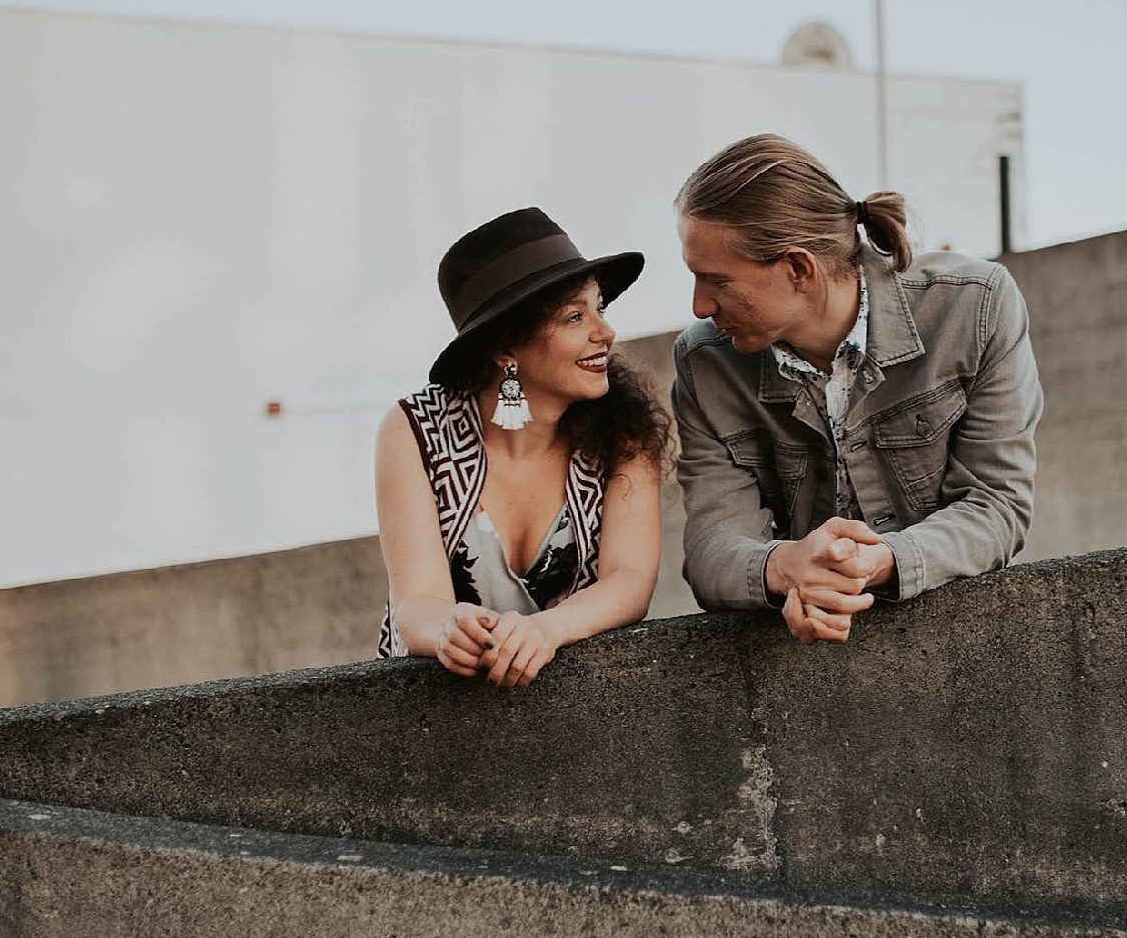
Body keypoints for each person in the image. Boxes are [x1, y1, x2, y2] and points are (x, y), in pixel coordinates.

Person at [671, 134, 1043, 645]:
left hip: (963, 648)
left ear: (798, 268)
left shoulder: (973, 308)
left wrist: (876, 563)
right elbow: (711, 548)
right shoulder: (704, 362)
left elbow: (996, 505)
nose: (699, 306)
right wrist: (788, 568)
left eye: (716, 280)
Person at [375, 207, 670, 687]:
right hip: (427, 715)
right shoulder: (413, 431)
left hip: (575, 709)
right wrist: (448, 630)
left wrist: (542, 632)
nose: (605, 331)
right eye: (575, 316)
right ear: (505, 349)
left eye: (601, 307)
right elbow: (415, 603)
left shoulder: (626, 431)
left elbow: (630, 579)